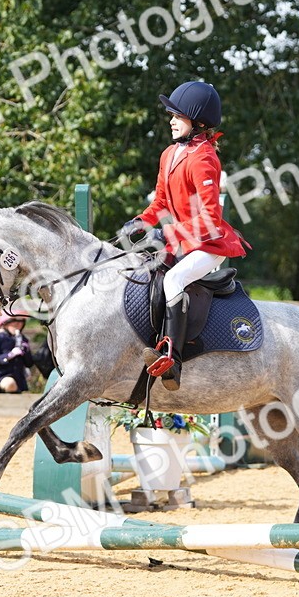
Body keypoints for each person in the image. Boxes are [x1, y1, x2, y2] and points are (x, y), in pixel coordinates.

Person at [116, 81, 247, 391]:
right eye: (171, 114)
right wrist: (139, 222)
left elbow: (210, 218)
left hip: (208, 243)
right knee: (144, 273)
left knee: (174, 281)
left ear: (197, 122)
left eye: (177, 115)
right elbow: (160, 202)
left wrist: (168, 232)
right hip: (182, 239)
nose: (171, 120)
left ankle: (171, 361)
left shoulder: (204, 158)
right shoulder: (169, 154)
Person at [0, 312, 34, 393]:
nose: (18, 324)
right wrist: (9, 355)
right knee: (10, 384)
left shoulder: (23, 339)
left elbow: (29, 363)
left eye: (21, 321)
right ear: (5, 323)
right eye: (14, 321)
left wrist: (26, 351)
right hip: (1, 377)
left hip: (19, 381)